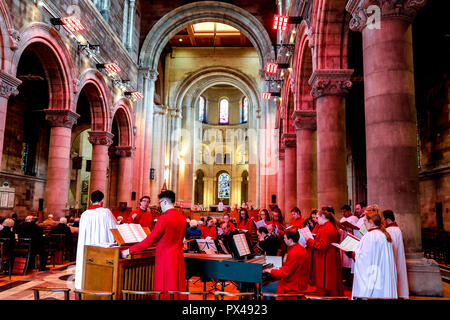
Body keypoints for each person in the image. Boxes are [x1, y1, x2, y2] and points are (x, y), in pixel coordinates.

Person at [121, 190, 186, 300]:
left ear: (164, 202)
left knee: (164, 288)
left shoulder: (164, 218)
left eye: (160, 203)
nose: (160, 205)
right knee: (176, 287)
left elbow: (149, 240)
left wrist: (129, 250)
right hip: (178, 256)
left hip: (165, 258)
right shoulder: (182, 218)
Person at [351, 205, 397, 299]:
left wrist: (354, 254)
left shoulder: (370, 236)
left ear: (371, 222)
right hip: (382, 276)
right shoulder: (383, 234)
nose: (363, 223)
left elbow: (365, 260)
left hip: (374, 277)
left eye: (365, 221)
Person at [75, 190, 118, 290]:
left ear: (90, 200)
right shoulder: (106, 212)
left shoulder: (85, 214)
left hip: (87, 249)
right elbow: (115, 229)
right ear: (102, 201)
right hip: (101, 249)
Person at [301, 209, 344, 296]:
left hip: (325, 257)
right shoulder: (330, 226)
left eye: (317, 217)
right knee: (332, 278)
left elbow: (322, 246)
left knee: (326, 280)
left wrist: (308, 239)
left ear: (323, 217)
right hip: (330, 255)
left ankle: (327, 296)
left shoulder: (325, 228)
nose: (316, 220)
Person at [262, 227, 311, 299]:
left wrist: (271, 270)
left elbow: (285, 273)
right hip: (298, 280)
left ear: (290, 240)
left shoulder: (294, 252)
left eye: (285, 238)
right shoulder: (300, 248)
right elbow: (290, 267)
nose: (284, 240)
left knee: (264, 287)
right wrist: (277, 269)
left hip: (293, 285)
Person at [383, 209, 409, 299]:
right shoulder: (396, 229)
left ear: (388, 220)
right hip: (398, 259)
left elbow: (390, 247)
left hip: (394, 259)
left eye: (383, 220)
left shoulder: (391, 230)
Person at [339, 204, 359, 287]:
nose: (343, 214)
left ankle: (351, 280)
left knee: (349, 261)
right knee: (344, 260)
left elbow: (358, 229)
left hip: (351, 239)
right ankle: (346, 278)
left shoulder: (354, 218)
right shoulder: (343, 219)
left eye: (345, 212)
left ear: (349, 211)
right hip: (344, 238)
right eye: (342, 212)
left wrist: (349, 227)